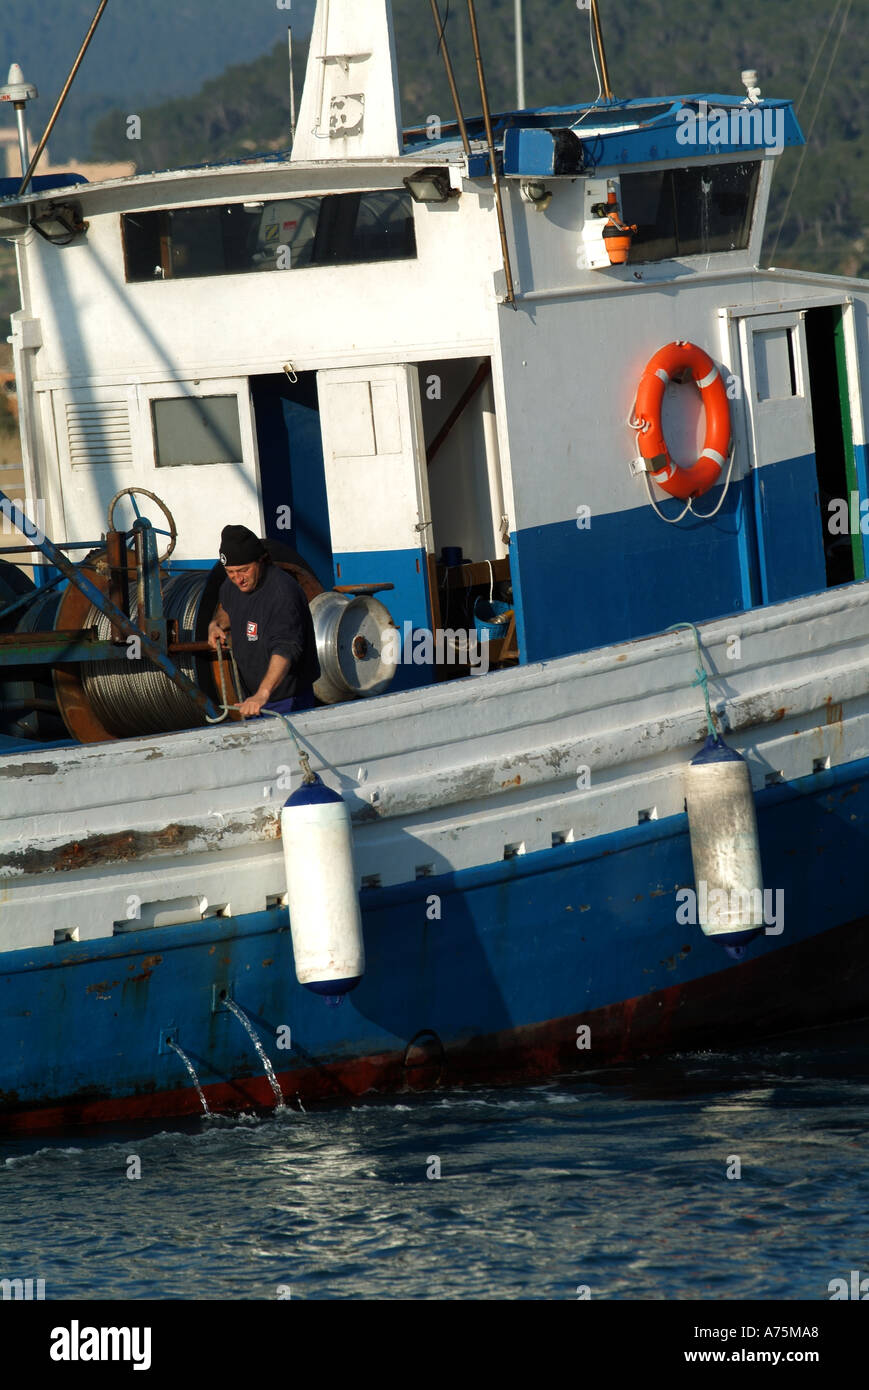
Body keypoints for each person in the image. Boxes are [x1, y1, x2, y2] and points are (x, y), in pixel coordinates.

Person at [207, 524, 320, 717]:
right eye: (230, 572)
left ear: (261, 560)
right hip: (252, 700)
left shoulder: (282, 593)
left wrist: (263, 693)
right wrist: (216, 624)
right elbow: (227, 609)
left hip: (288, 702)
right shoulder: (231, 586)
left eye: (244, 570)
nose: (238, 579)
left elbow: (285, 649)